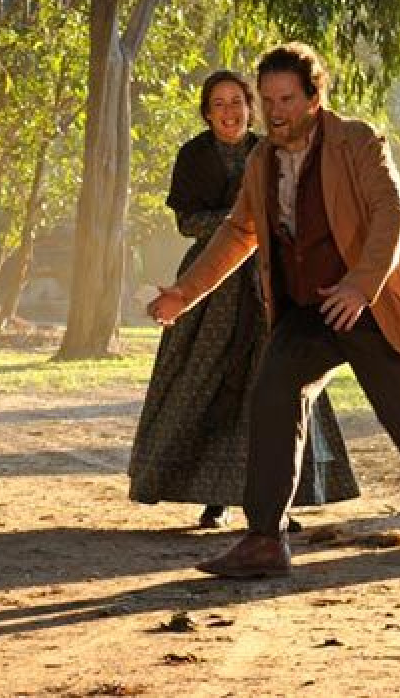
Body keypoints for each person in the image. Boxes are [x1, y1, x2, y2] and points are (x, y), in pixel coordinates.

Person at [148, 43, 400, 579]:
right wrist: (184, 294)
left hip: (371, 305)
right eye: (268, 99)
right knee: (273, 394)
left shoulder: (357, 141)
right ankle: (265, 539)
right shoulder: (262, 159)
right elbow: (239, 233)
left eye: (286, 98)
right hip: (308, 311)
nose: (275, 110)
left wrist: (359, 286)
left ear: (314, 97)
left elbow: (390, 216)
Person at [128, 71, 359, 529]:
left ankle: (279, 500)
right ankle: (214, 499)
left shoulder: (269, 150)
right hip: (211, 285)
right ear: (207, 112)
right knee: (210, 385)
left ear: (250, 108)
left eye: (237, 102)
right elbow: (189, 223)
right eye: (219, 104)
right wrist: (242, 221)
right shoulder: (194, 156)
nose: (229, 112)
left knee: (278, 384)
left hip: (271, 281)